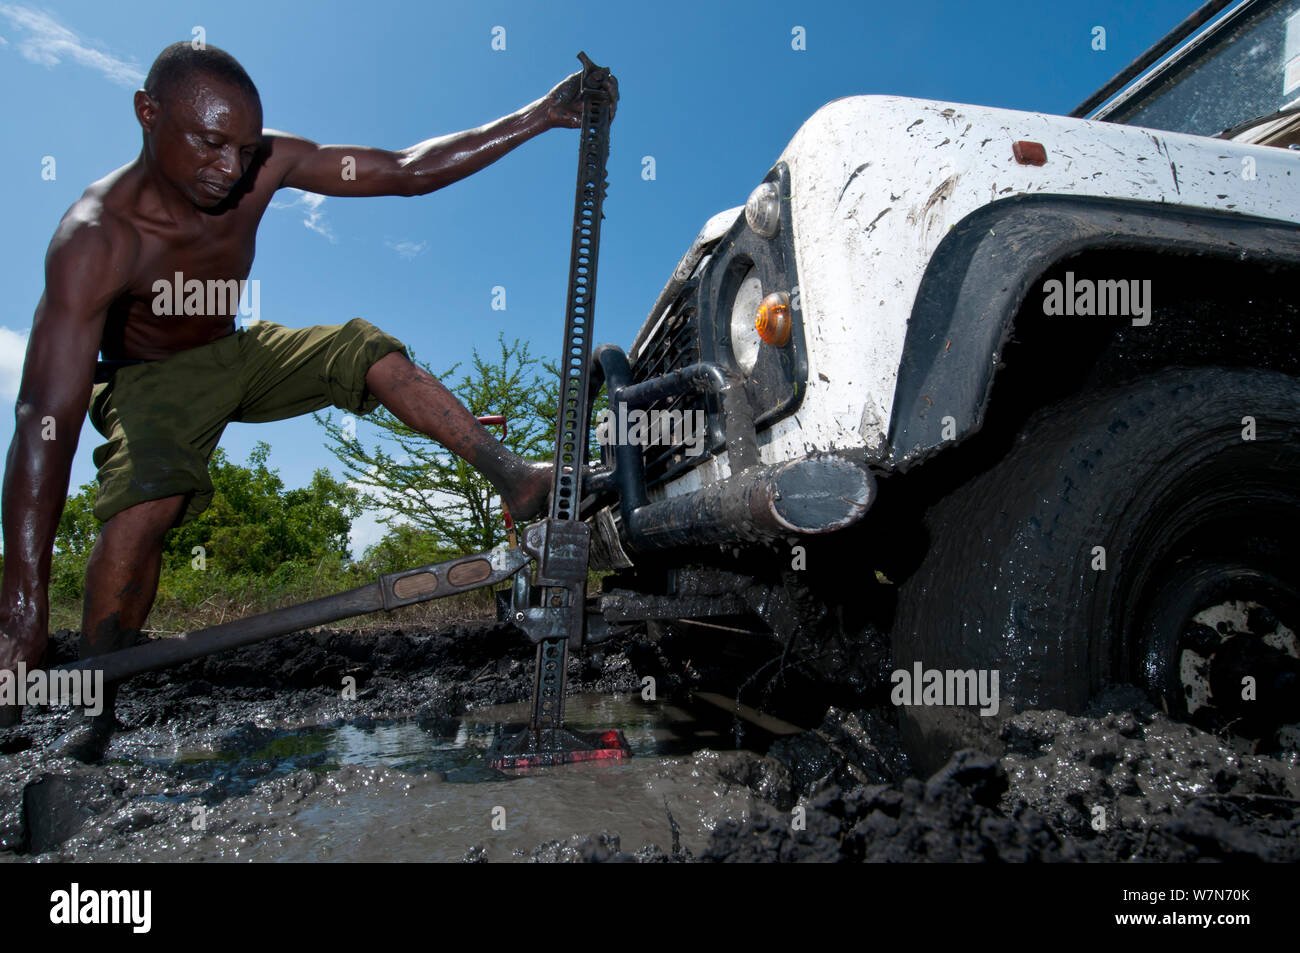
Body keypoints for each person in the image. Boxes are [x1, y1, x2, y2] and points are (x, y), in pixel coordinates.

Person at [0, 42, 618, 759]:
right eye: (209, 144)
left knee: (363, 346)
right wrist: (23, 607)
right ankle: (96, 706)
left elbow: (407, 171)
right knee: (148, 501)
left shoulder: (265, 163)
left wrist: (541, 116)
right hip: (148, 377)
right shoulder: (95, 237)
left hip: (235, 351)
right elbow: (43, 418)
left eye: (243, 148)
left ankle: (515, 477)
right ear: (147, 114)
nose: (230, 168)